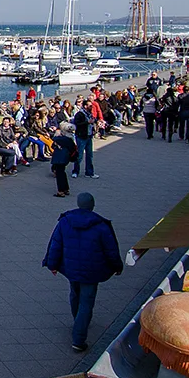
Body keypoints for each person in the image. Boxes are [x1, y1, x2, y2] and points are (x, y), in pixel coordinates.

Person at [42, 192, 123, 352]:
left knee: (74, 293)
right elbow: (111, 250)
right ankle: (79, 339)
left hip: (71, 268)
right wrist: (117, 266)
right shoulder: (101, 226)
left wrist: (52, 264)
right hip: (92, 271)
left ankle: (78, 319)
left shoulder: (65, 221)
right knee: (86, 302)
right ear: (92, 206)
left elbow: (55, 245)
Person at [50, 123, 79, 197]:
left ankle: (61, 191)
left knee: (59, 174)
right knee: (62, 172)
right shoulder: (71, 139)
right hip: (66, 158)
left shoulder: (63, 139)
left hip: (60, 158)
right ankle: (66, 189)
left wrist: (56, 133)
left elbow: (54, 141)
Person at [71, 104, 98, 179]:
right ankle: (75, 171)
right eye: (89, 106)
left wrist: (94, 123)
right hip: (81, 137)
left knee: (89, 155)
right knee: (79, 155)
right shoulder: (80, 114)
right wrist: (87, 122)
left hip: (89, 136)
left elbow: (92, 123)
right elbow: (77, 123)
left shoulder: (90, 114)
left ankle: (89, 172)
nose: (91, 107)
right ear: (85, 106)